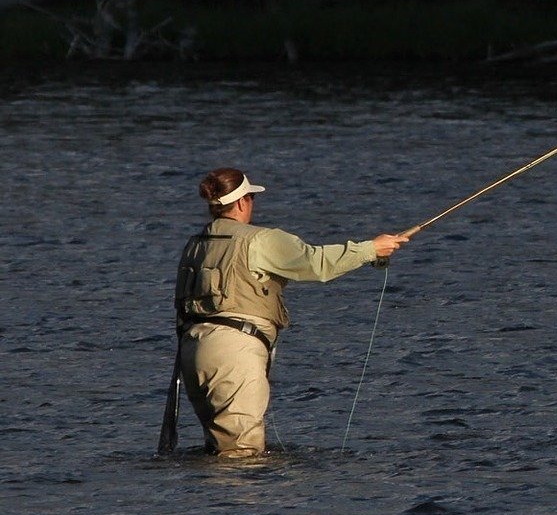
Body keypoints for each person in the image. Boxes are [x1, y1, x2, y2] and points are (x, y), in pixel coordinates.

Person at [166, 168, 409, 456]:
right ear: (243, 202)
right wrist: (371, 249)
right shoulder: (260, 240)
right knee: (241, 457)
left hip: (192, 352)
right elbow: (315, 262)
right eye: (252, 199)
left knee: (218, 451)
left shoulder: (194, 244)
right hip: (233, 352)